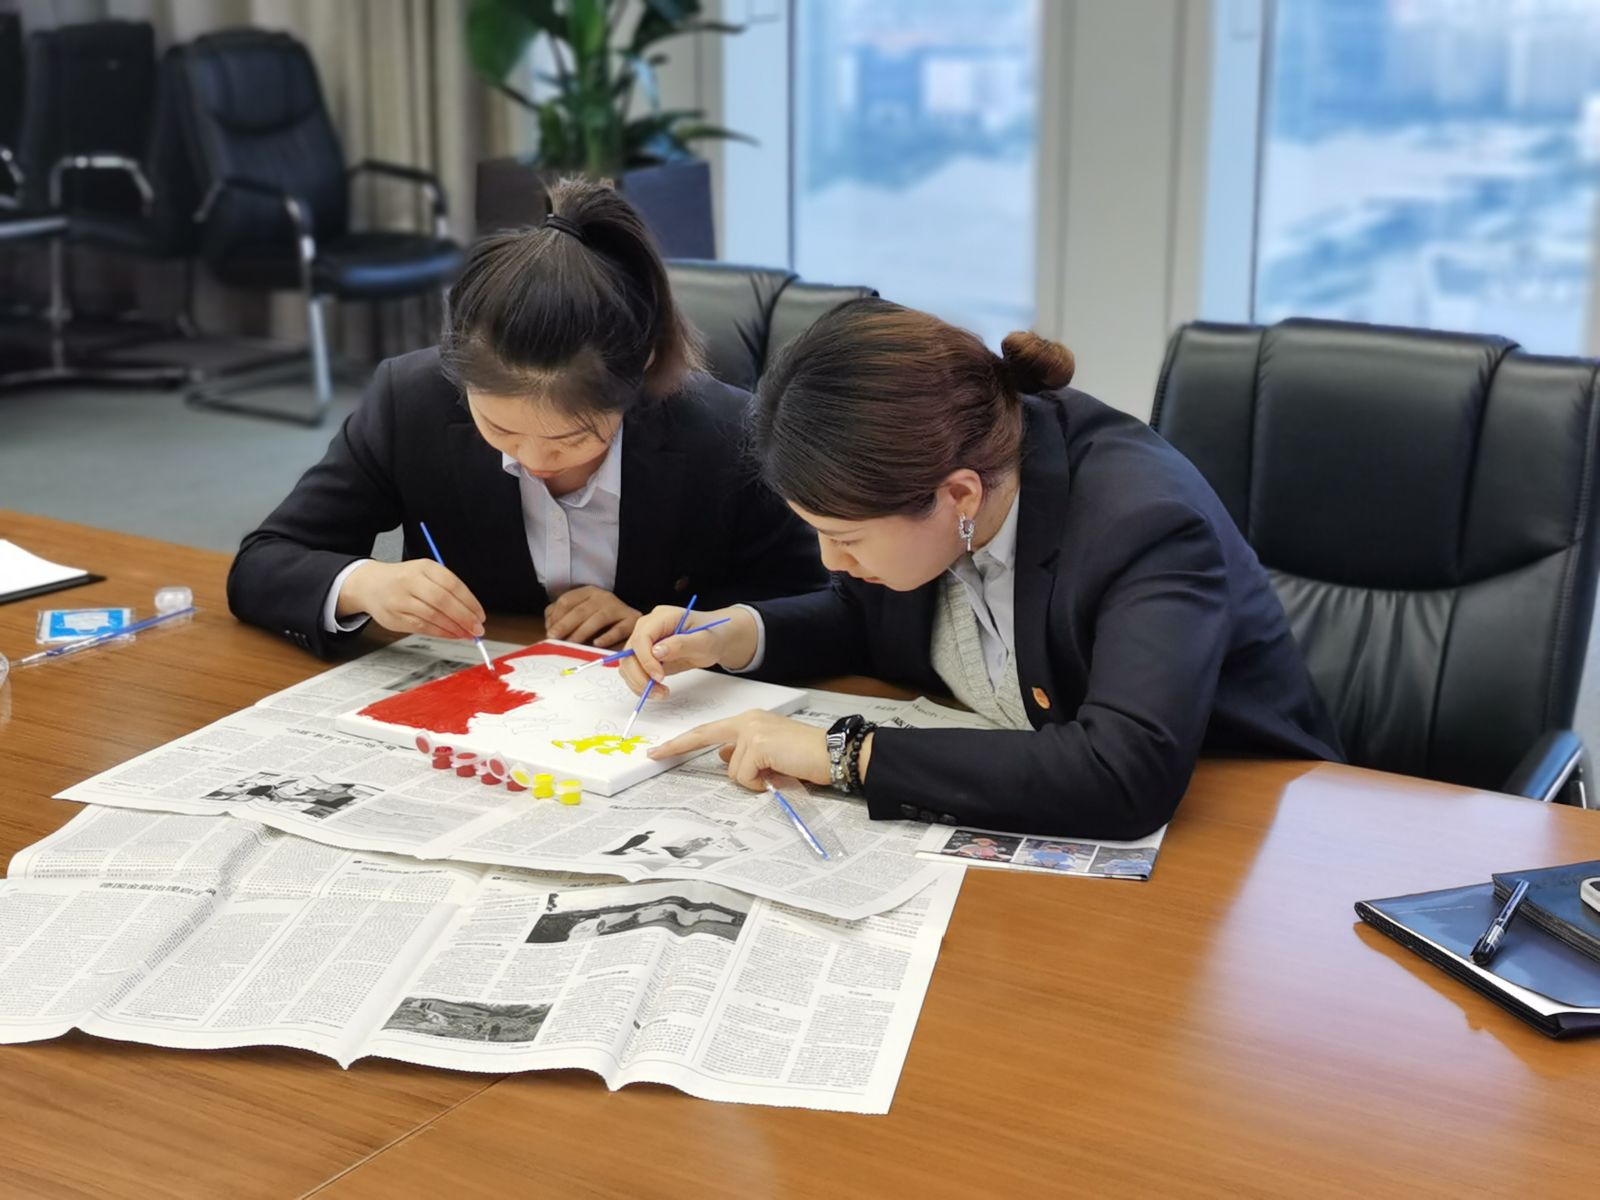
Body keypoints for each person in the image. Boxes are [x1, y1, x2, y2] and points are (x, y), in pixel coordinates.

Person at [617, 298, 1343, 839]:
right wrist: (732, 635)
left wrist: (846, 755)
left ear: (959, 495)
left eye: (845, 538)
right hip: (1037, 787)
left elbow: (1124, 774)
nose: (830, 560)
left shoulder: (1143, 522)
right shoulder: (937, 473)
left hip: (1245, 815)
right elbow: (864, 614)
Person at [227, 178, 826, 658]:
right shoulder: (410, 401)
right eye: (501, 430)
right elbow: (263, 560)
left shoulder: (724, 431)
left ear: (638, 375)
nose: (534, 461)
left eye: (571, 438)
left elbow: (818, 597)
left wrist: (681, 625)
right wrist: (365, 583)